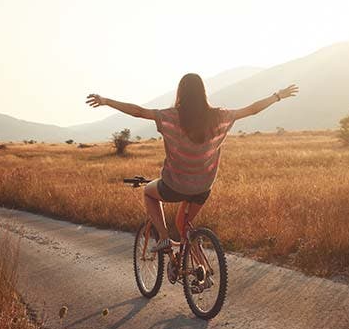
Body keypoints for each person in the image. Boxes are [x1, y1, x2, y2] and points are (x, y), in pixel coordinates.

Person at [86, 73, 298, 251]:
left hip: (174, 186)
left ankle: (163, 238)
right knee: (184, 225)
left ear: (181, 93)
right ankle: (200, 269)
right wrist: (277, 96)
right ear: (203, 92)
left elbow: (138, 112)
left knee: (148, 192)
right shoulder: (219, 116)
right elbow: (252, 109)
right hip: (203, 188)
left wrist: (107, 101)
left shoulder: (170, 116)